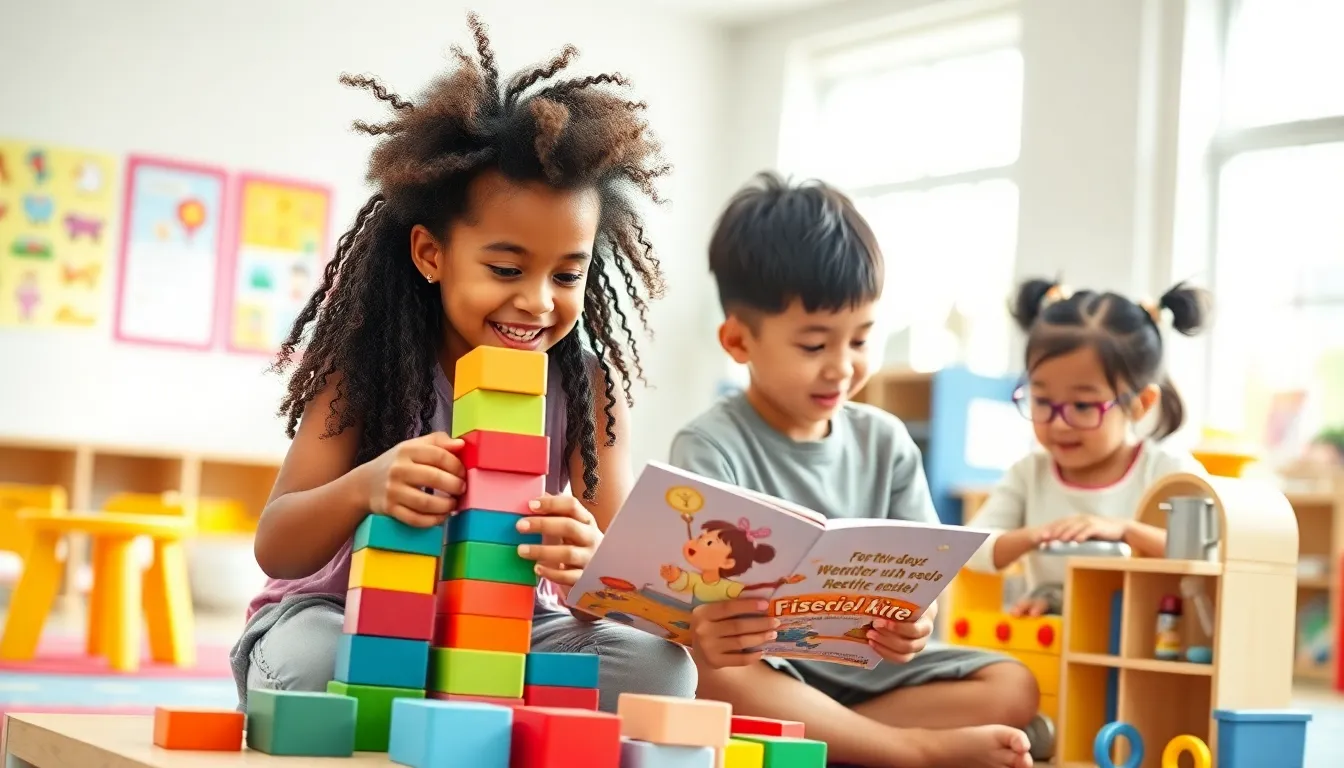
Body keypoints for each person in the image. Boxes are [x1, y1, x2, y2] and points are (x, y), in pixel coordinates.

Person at [229, 13, 697, 714]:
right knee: (316, 663)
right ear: (430, 254)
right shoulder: (367, 370)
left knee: (663, 669)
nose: (537, 301)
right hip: (342, 614)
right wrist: (366, 486)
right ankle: (445, 711)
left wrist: (588, 558)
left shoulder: (588, 390)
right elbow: (278, 546)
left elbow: (627, 586)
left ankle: (456, 713)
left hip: (508, 632)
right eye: (507, 267)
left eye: (567, 276)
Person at [669, 172, 1041, 768]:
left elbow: (926, 585)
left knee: (1013, 687)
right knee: (704, 672)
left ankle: (823, 745)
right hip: (765, 671)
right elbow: (698, 618)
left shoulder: (886, 441)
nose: (842, 368)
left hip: (869, 673)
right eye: (815, 346)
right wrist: (708, 630)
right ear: (738, 341)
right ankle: (906, 751)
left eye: (862, 340)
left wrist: (914, 625)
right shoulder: (711, 446)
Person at [964, 279, 1212, 616]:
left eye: (1082, 406)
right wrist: (1037, 536)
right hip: (1058, 642)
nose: (1059, 422)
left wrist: (1126, 532)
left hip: (1145, 646)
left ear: (1141, 403)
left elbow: (1211, 555)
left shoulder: (1168, 472)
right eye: (1042, 401)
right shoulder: (1029, 473)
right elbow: (969, 551)